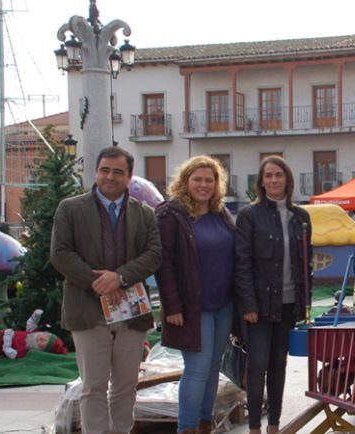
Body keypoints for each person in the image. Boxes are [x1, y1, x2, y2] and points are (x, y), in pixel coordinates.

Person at [50, 146, 162, 434]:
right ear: (97, 171)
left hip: (131, 313)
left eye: (118, 172)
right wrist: (99, 282)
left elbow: (154, 254)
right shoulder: (70, 209)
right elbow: (61, 253)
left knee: (126, 385)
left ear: (129, 176)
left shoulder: (145, 214)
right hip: (88, 311)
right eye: (105, 170)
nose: (110, 177)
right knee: (93, 387)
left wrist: (120, 277)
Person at [155, 156, 238, 434]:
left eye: (209, 180)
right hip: (192, 308)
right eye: (198, 179)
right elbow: (163, 263)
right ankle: (186, 427)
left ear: (217, 185)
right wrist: (172, 306)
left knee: (214, 368)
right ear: (185, 181)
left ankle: (204, 423)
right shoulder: (171, 214)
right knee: (198, 370)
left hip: (223, 305)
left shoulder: (221, 213)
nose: (204, 185)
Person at [234, 156, 312, 434]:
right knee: (257, 366)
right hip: (259, 305)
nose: (274, 180)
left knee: (279, 365)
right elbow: (242, 263)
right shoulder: (249, 216)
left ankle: (275, 425)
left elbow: (306, 264)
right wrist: (248, 304)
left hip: (289, 305)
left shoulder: (301, 218)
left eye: (279, 175)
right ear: (261, 181)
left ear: (287, 179)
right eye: (268, 175)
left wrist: (306, 305)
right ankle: (254, 426)